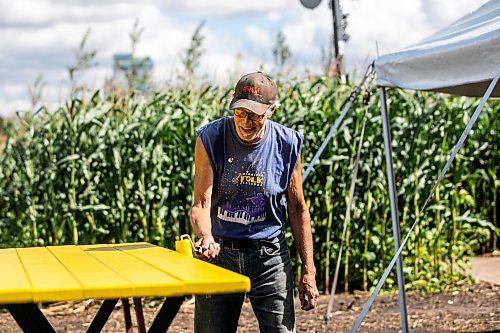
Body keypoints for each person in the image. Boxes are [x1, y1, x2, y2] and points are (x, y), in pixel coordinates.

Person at [190, 71, 319, 333]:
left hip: (269, 254)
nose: (246, 122)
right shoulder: (210, 138)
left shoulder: (287, 143)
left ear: (272, 110)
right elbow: (201, 205)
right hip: (220, 254)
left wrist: (309, 270)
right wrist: (205, 237)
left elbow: (297, 208)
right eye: (240, 113)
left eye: (256, 115)